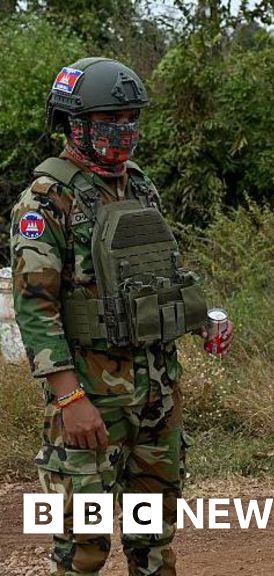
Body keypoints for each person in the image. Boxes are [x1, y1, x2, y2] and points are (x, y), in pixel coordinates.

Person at [10, 57, 234, 576]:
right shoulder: (46, 202)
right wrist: (69, 398)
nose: (125, 132)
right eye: (113, 120)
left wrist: (204, 319)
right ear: (75, 125)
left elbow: (163, 274)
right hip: (90, 401)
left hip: (156, 396)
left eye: (132, 119)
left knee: (153, 541)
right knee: (83, 549)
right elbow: (35, 308)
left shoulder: (139, 187)